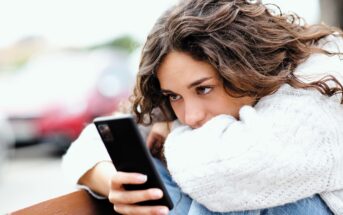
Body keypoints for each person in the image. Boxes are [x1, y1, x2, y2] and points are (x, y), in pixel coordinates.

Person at [62, 0, 343, 214]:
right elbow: (91, 143)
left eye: (204, 88)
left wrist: (171, 130)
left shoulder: (320, 82)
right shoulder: (197, 107)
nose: (192, 115)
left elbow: (236, 167)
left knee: (241, 192)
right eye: (174, 96)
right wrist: (112, 180)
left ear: (248, 66)